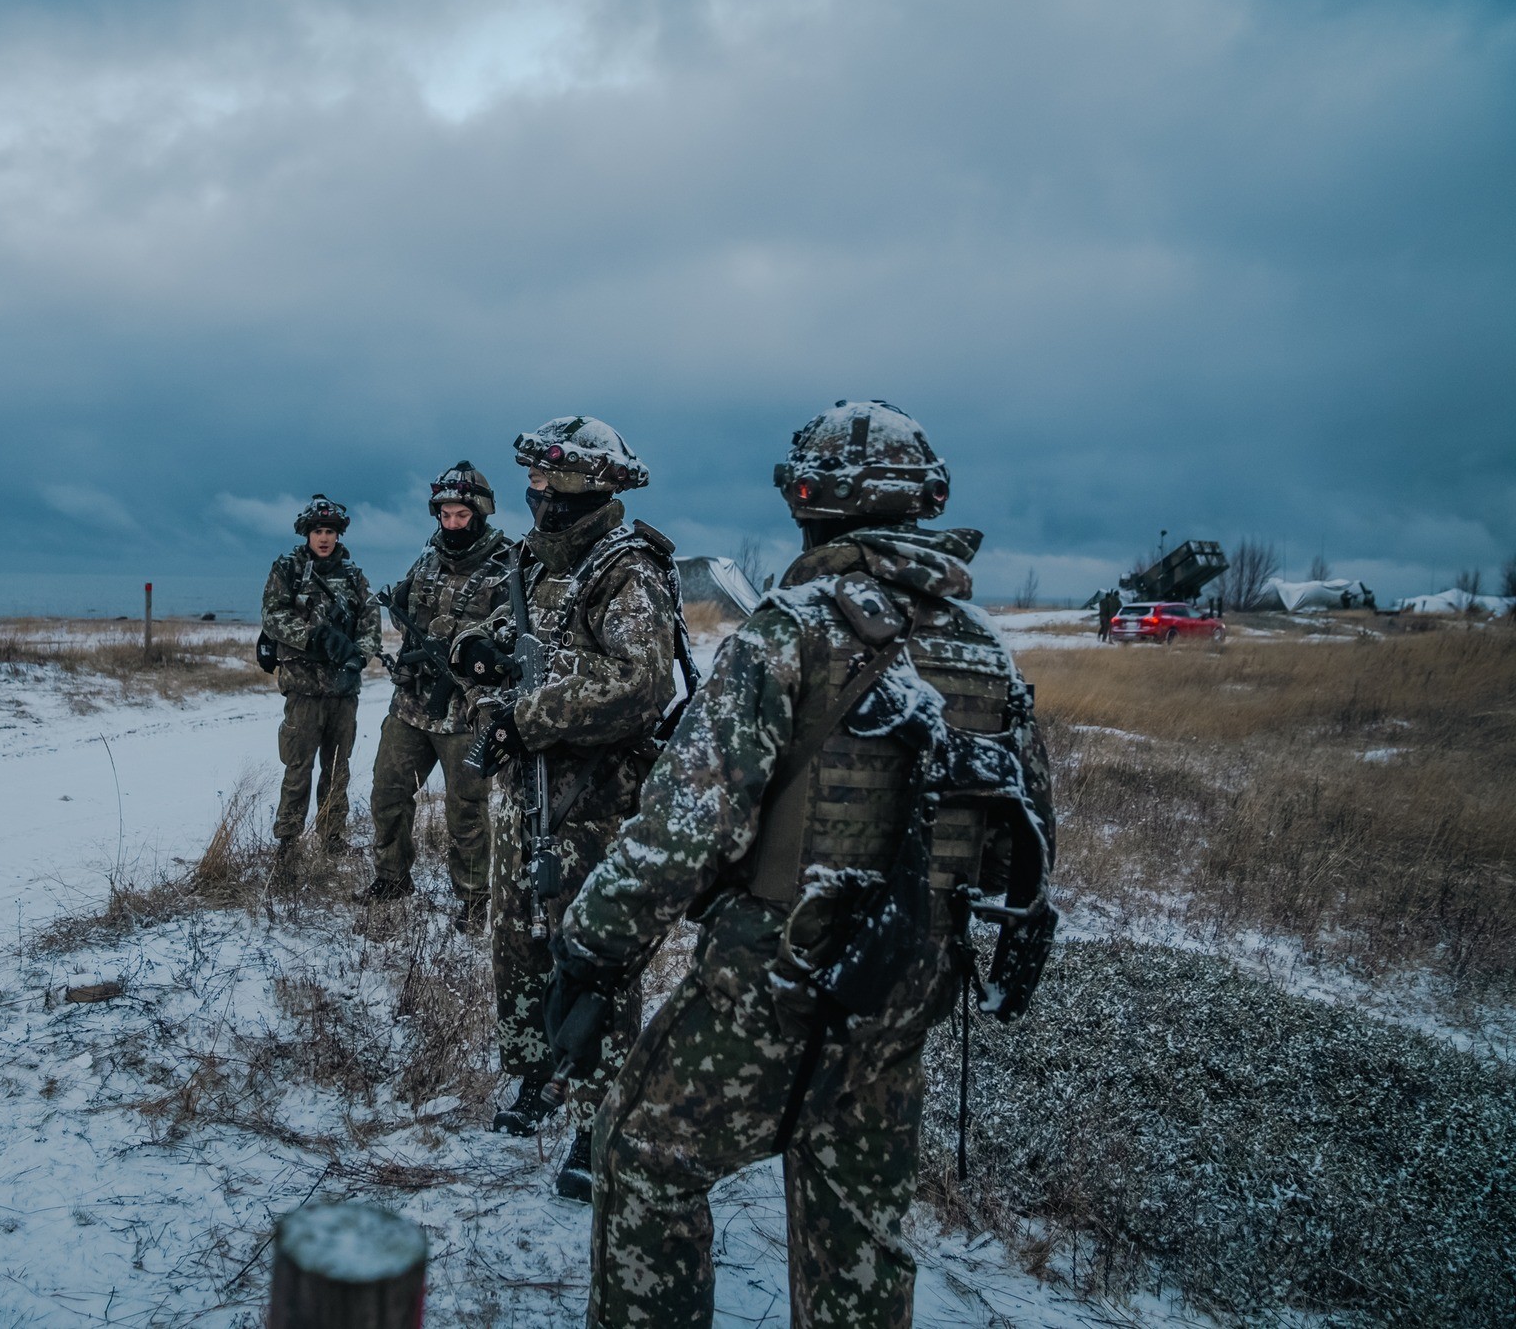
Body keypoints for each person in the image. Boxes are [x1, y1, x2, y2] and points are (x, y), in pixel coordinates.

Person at [544, 400, 1057, 1326]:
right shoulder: (983, 648)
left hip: (773, 980)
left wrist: (591, 945)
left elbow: (682, 827)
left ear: (809, 502)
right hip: (903, 988)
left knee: (644, 1156)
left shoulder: (794, 629)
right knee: (858, 1229)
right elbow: (1023, 840)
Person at [450, 416, 694, 1202]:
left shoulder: (627, 570)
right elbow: (497, 643)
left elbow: (640, 683)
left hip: (595, 801)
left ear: (585, 491)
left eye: (548, 485)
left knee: (590, 957)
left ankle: (600, 1115)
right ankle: (537, 1074)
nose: (536, 497)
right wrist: (478, 667)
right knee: (518, 942)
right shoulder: (532, 565)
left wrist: (530, 714)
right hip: (525, 793)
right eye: (532, 483)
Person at [362, 462, 512, 926]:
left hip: (466, 711)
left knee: (465, 810)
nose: (452, 524)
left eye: (461, 516)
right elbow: (403, 614)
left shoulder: (508, 565)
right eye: (445, 515)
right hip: (411, 705)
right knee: (387, 794)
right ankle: (392, 877)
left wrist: (474, 646)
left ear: (480, 513)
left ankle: (473, 898)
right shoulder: (427, 558)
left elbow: (513, 636)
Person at [260, 494, 380, 870]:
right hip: (303, 688)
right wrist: (313, 637)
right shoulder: (288, 569)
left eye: (329, 531)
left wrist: (357, 658)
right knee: (298, 768)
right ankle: (288, 841)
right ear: (307, 534)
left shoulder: (355, 577)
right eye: (317, 531)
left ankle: (332, 838)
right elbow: (272, 616)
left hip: (343, 690)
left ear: (338, 534)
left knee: (337, 768)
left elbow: (371, 626)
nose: (324, 538)